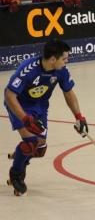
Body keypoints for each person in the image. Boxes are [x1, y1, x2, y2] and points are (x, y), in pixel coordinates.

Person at [4, 39, 88, 196]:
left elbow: (68, 92)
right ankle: (16, 173)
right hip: (19, 105)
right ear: (52, 59)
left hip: (40, 106)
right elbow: (9, 94)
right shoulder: (28, 69)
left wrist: (79, 117)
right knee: (31, 143)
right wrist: (24, 118)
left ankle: (20, 155)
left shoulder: (61, 71)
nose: (67, 61)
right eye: (64, 58)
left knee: (40, 148)